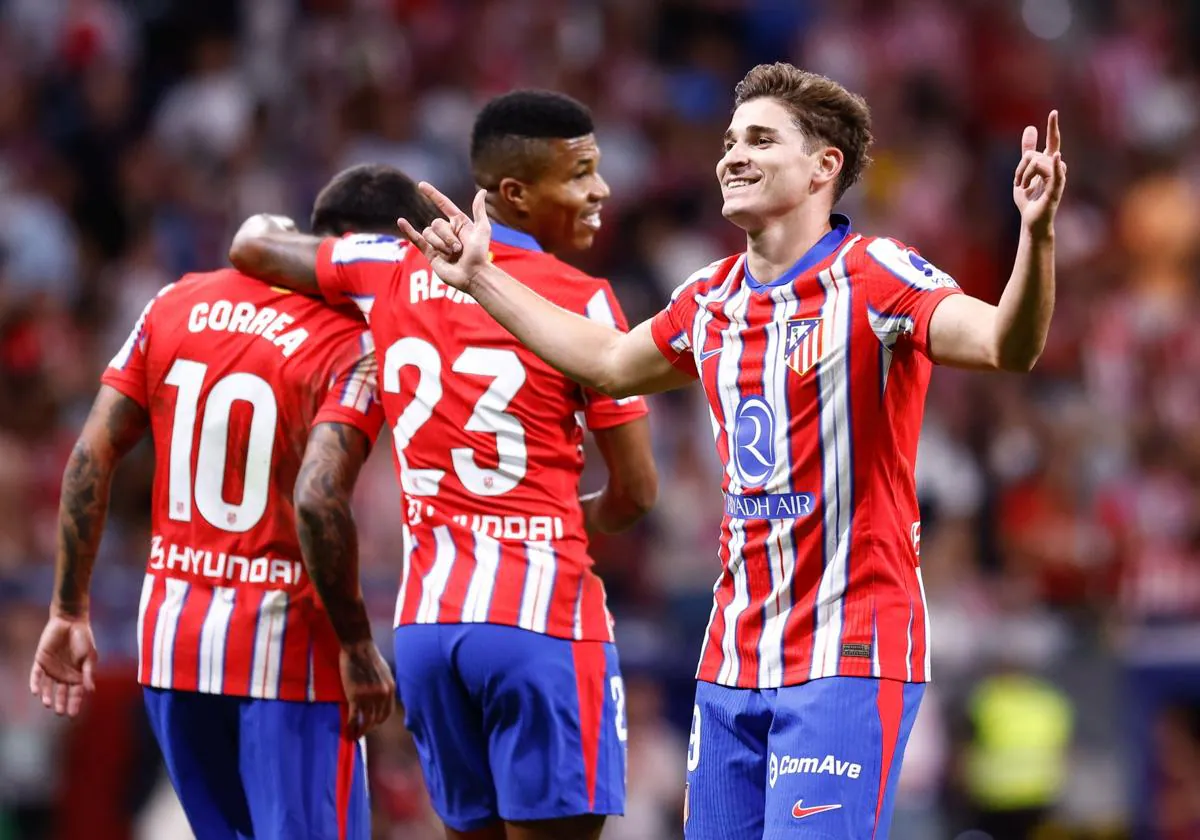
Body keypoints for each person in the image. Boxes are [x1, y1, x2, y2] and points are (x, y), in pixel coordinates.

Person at [396, 63, 1067, 840]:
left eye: (759, 139)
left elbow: (1003, 345)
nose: (732, 155)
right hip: (733, 654)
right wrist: (483, 281)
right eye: (728, 140)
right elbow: (609, 361)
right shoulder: (709, 298)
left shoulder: (875, 277)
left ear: (824, 166)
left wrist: (1037, 236)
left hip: (848, 648)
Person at [229, 96, 658, 840]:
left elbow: (254, 248)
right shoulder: (585, 302)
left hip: (428, 629)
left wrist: (272, 225)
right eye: (583, 173)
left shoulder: (387, 266)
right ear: (516, 194)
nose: (602, 191)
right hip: (541, 620)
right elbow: (637, 493)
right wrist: (559, 512)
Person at [28, 200, 409, 838]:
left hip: (173, 644)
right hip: (289, 654)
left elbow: (91, 452)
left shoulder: (172, 303)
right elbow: (319, 498)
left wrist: (68, 610)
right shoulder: (352, 340)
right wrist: (356, 644)